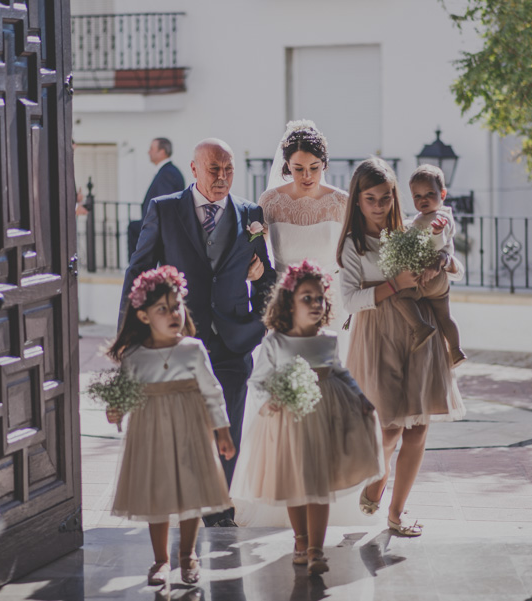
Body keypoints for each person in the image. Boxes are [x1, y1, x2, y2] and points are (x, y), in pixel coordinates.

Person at [120, 138, 277, 527]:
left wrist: (257, 321)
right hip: (179, 343)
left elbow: (267, 279)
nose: (222, 177)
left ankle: (219, 508)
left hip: (233, 341)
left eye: (228, 169)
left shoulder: (251, 214)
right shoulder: (165, 209)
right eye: (213, 169)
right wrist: (130, 335)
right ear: (194, 169)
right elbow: (138, 271)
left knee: (229, 424)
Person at [336, 157, 466, 537]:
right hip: (378, 335)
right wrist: (393, 285)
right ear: (357, 201)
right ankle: (377, 479)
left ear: (395, 197)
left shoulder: (411, 230)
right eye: (370, 199)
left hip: (421, 331)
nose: (379, 206)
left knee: (419, 428)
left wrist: (442, 261)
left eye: (386, 198)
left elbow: (456, 266)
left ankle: (397, 513)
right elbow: (349, 300)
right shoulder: (354, 245)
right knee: (390, 428)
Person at [230, 260, 383, 575]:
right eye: (307, 298)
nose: (315, 303)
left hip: (324, 418)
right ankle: (300, 541)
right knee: (295, 484)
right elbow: (258, 380)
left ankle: (316, 548)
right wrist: (271, 400)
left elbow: (340, 373)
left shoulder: (327, 339)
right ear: (289, 303)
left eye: (320, 298)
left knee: (319, 485)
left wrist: (360, 398)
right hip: (289, 422)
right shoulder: (276, 341)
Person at [106, 266, 235, 586]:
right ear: (144, 316)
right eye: (162, 309)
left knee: (191, 492)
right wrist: (117, 409)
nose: (173, 314)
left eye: (176, 306)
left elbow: (212, 390)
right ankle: (161, 559)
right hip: (150, 433)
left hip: (190, 430)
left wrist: (222, 431)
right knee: (157, 493)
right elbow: (125, 391)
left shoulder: (193, 349)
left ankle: (188, 554)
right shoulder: (134, 355)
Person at [258, 120, 350, 356]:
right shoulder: (270, 202)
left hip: (330, 303)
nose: (307, 176)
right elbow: (257, 256)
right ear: (287, 165)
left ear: (324, 164)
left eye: (314, 167)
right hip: (285, 304)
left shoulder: (341, 202)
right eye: (298, 168)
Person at [390, 164, 467, 366]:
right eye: (417, 196)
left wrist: (436, 232)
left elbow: (437, 243)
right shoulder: (424, 218)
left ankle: (420, 327)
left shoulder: (439, 218)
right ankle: (456, 350)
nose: (423, 199)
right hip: (441, 284)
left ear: (443, 194)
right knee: (445, 316)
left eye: (429, 194)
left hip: (429, 277)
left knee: (401, 297)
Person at [127, 137, 186, 258]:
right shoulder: (167, 171)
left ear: (162, 152)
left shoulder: (167, 173)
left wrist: (154, 228)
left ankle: (136, 268)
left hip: (158, 228)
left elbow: (166, 203)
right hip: (158, 227)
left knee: (133, 229)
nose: (148, 152)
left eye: (152, 149)